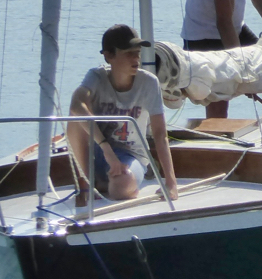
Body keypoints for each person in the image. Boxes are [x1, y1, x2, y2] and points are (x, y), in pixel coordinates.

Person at [68, 24, 179, 204]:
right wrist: (106, 149)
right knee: (75, 113)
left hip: (130, 156)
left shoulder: (149, 83)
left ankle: (108, 184)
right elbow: (76, 104)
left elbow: (160, 135)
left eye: (138, 53)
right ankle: (85, 184)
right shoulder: (96, 76)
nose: (136, 58)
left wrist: (171, 183)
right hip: (95, 153)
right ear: (109, 56)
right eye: (129, 53)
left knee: (122, 187)